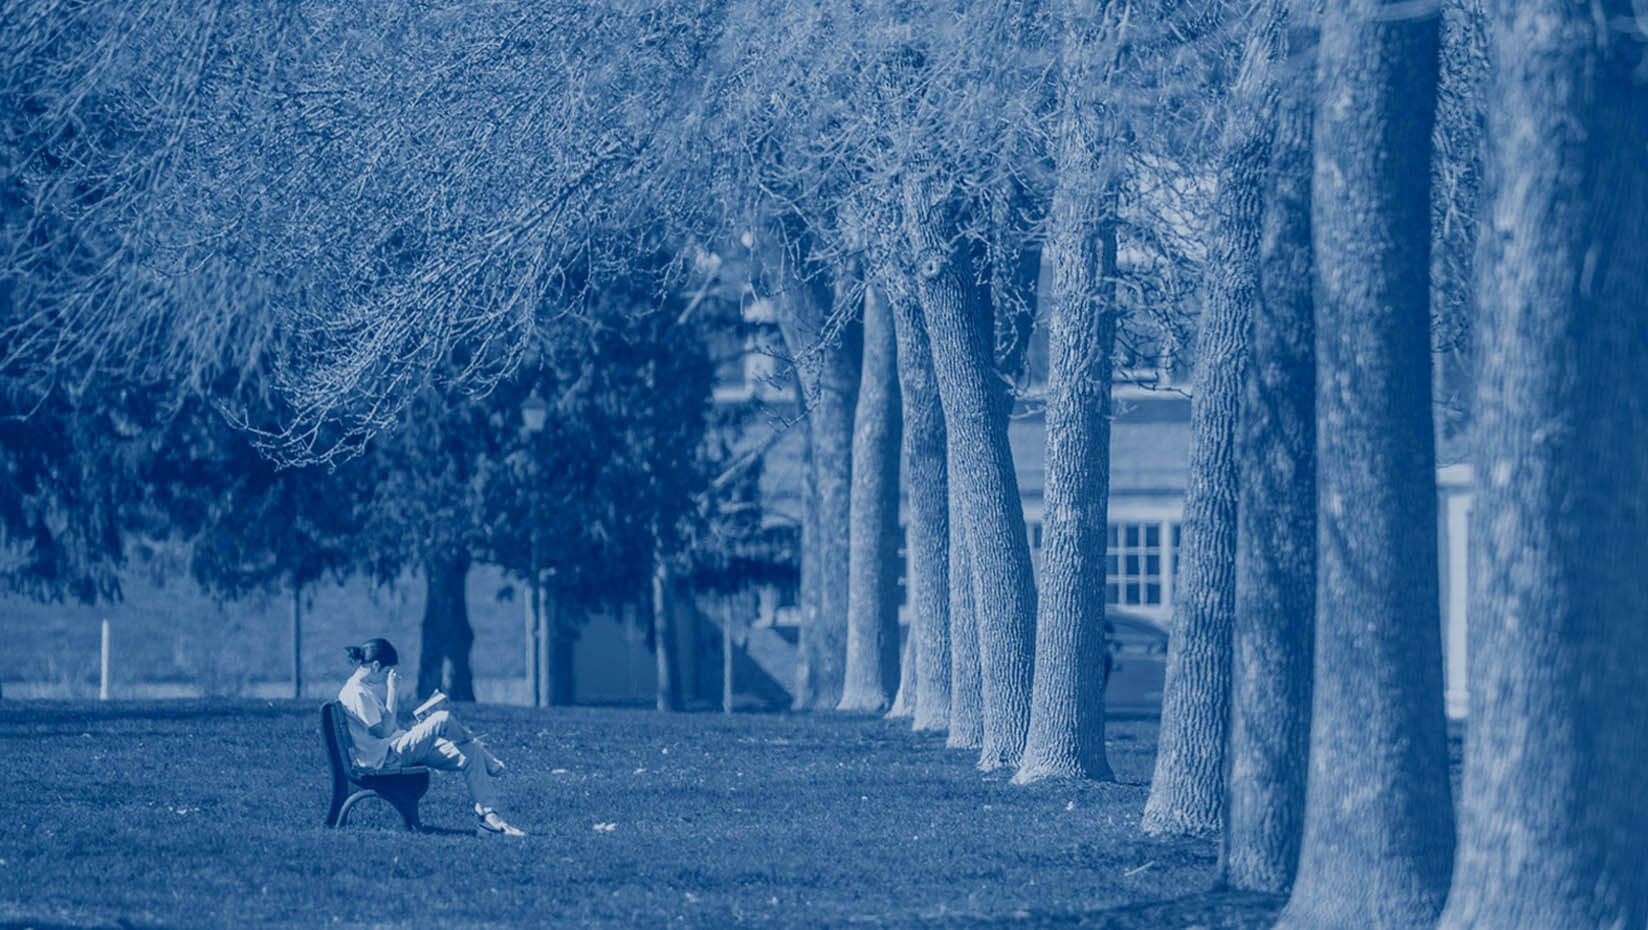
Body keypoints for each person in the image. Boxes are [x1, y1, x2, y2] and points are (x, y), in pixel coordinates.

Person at [337, 637, 526, 836]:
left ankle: (491, 821)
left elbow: (387, 730)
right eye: (386, 673)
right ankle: (487, 758)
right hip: (386, 759)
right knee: (442, 718)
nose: (387, 679)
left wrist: (417, 728)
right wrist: (393, 691)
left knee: (469, 752)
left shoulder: (362, 691)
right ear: (375, 666)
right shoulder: (357, 693)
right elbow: (383, 731)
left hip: (394, 748)